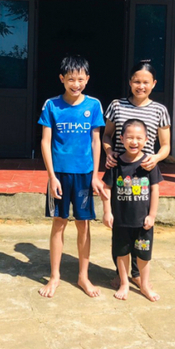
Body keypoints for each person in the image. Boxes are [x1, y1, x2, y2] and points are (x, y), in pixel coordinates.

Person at [38, 55, 107, 298]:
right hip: (59, 175)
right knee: (59, 223)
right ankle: (54, 276)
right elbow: (45, 143)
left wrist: (96, 176)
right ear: (62, 79)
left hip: (85, 175)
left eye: (80, 79)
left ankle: (83, 277)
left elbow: (96, 141)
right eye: (70, 79)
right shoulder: (51, 105)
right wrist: (51, 176)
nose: (75, 84)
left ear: (87, 79)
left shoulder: (94, 105)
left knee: (83, 225)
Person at [102, 60, 171, 288]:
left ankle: (136, 273)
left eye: (145, 82)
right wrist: (110, 152)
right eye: (136, 81)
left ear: (154, 84)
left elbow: (165, 145)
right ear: (130, 82)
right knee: (120, 226)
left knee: (141, 224)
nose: (140, 86)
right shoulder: (116, 105)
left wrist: (156, 158)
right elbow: (107, 135)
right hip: (120, 170)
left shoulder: (160, 110)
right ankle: (121, 273)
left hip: (144, 171)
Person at [102, 118, 161, 302]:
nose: (134, 142)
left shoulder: (149, 164)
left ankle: (144, 284)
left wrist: (152, 215)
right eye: (129, 137)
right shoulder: (115, 163)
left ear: (146, 139)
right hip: (120, 221)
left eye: (138, 138)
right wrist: (107, 212)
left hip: (143, 223)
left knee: (144, 254)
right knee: (121, 252)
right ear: (121, 138)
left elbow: (155, 190)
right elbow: (106, 188)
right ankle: (124, 283)